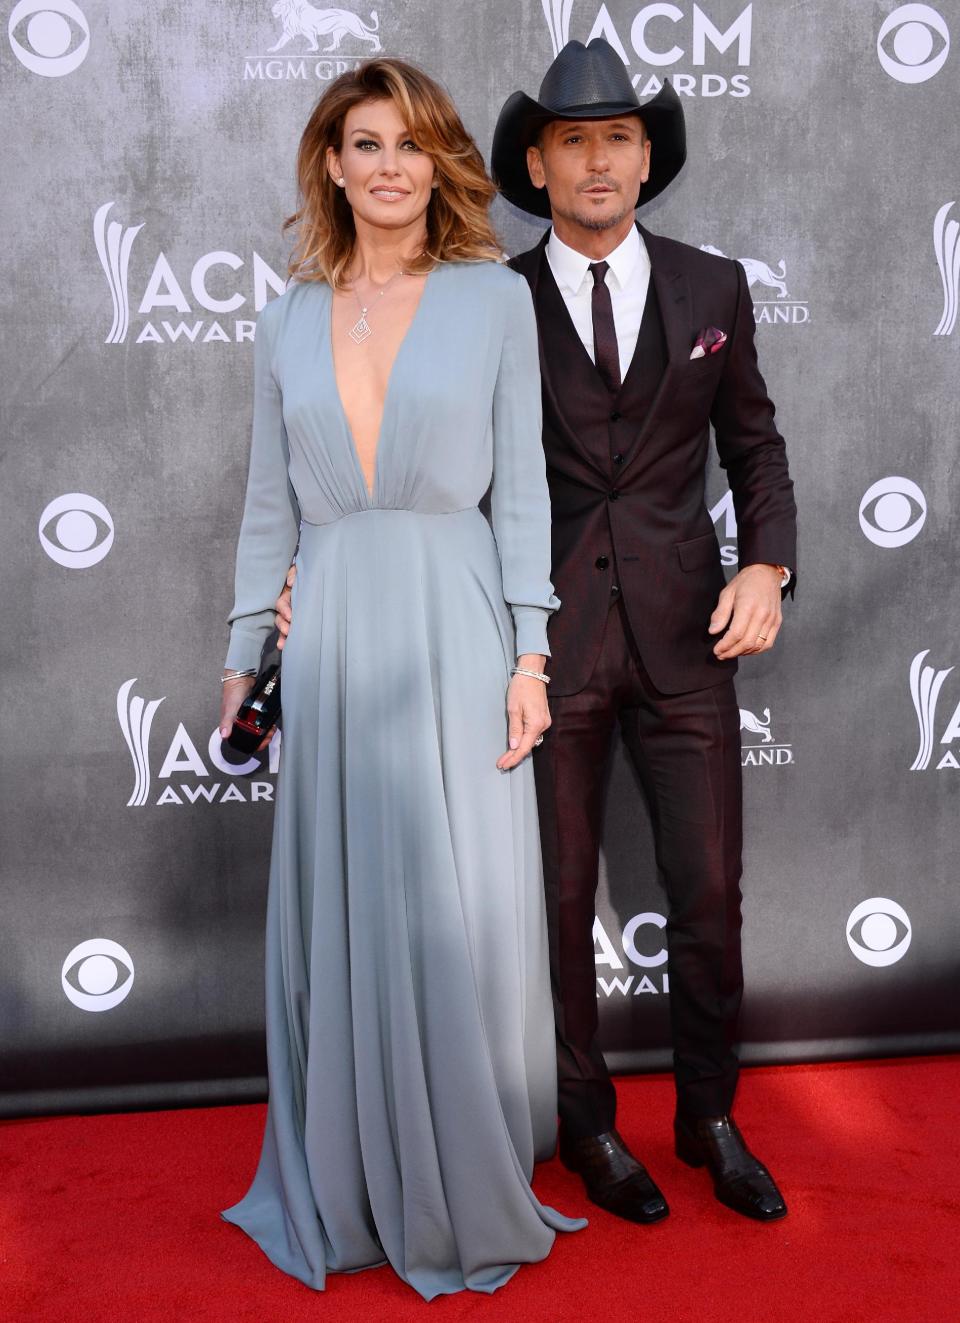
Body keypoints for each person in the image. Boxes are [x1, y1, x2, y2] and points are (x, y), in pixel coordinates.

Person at [276, 41, 797, 1227]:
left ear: (648, 155)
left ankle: (712, 1118)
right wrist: (330, 564)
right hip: (536, 644)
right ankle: (588, 1125)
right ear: (535, 162)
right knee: (549, 904)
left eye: (618, 135)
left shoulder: (713, 288)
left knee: (709, 893)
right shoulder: (485, 299)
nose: (598, 157)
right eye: (574, 139)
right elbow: (429, 457)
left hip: (688, 639)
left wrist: (768, 560)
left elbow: (755, 447)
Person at [218, 57, 583, 1300]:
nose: (389, 167)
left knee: (454, 900)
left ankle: (458, 1162)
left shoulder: (490, 300)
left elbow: (523, 490)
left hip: (457, 616)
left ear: (442, 164)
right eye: (365, 144)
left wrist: (531, 655)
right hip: (331, 635)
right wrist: (238, 659)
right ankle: (349, 1172)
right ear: (331, 163)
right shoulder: (284, 319)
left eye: (412, 145)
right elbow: (270, 505)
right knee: (350, 896)